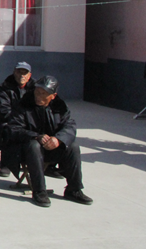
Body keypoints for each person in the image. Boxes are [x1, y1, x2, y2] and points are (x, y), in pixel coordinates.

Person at [5, 76, 92, 207]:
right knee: (34, 145)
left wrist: (58, 140)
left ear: (53, 96)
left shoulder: (60, 107)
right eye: (37, 92)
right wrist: (36, 136)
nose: (38, 96)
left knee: (73, 146)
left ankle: (74, 189)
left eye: (43, 94)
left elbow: (70, 126)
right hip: (24, 151)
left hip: (50, 149)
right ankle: (39, 191)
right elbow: (13, 129)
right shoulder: (23, 104)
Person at [0, 61, 35, 177]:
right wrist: (19, 120)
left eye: (24, 73)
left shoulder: (35, 88)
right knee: (7, 129)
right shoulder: (4, 87)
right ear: (14, 72)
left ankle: (44, 163)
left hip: (29, 121)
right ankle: (6, 163)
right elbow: (2, 109)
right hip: (10, 121)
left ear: (29, 75)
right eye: (19, 72)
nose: (21, 75)